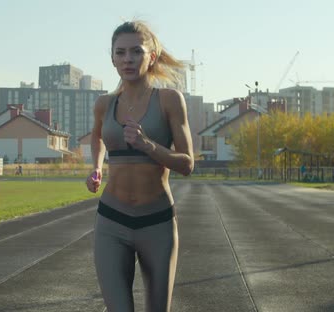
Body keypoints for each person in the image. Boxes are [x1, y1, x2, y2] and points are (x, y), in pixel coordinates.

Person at [85, 20, 194, 312]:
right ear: (112, 59)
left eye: (136, 51)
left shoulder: (170, 100)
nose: (128, 59)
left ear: (152, 56)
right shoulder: (103, 104)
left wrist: (148, 145)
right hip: (111, 221)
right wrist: (95, 167)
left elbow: (187, 164)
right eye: (120, 53)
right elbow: (96, 138)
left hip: (156, 221)